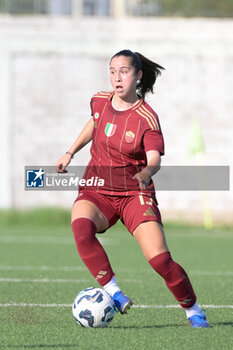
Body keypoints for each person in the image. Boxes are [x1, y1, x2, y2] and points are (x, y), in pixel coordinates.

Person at [56, 49, 209, 328]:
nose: (117, 77)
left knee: (161, 261)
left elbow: (155, 159)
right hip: (98, 187)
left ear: (137, 76)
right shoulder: (98, 100)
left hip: (134, 193)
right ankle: (114, 292)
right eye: (113, 71)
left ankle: (193, 309)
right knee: (80, 226)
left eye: (124, 71)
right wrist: (71, 152)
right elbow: (94, 122)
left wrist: (147, 171)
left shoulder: (146, 117)